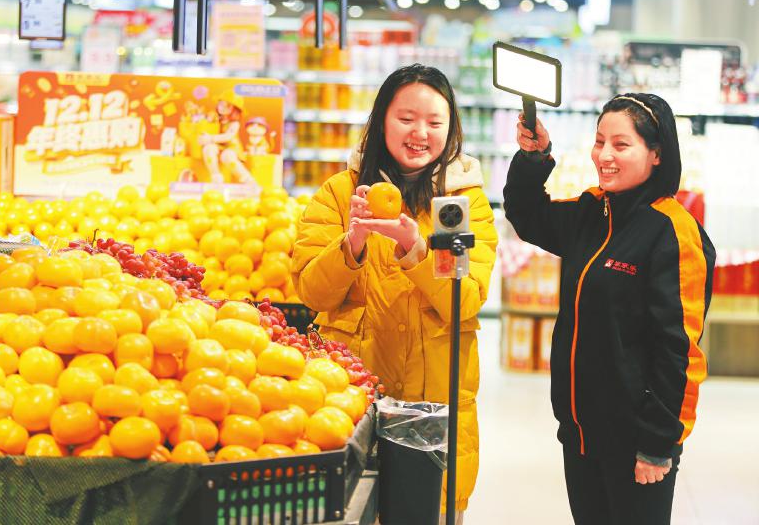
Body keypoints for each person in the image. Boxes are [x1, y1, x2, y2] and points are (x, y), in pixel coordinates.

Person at [292, 64, 498, 520]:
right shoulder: (341, 194)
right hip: (350, 405)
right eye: (406, 118)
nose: (420, 133)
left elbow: (464, 301)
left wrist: (416, 250)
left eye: (434, 122)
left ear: (451, 129)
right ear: (381, 120)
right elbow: (312, 294)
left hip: (434, 412)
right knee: (351, 508)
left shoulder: (459, 204)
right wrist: (352, 243)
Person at [503, 93, 716, 525]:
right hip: (580, 433)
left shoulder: (673, 232)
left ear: (657, 153)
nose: (604, 155)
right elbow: (526, 215)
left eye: (621, 145)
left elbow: (679, 349)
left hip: (636, 441)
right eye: (600, 142)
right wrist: (533, 158)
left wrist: (658, 444)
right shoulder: (592, 211)